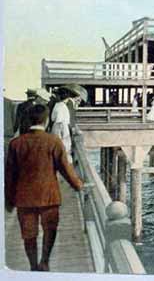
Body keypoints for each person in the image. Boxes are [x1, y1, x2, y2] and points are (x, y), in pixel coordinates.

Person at [5, 104, 84, 271]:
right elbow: (65, 168)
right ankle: (45, 261)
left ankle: (33, 266)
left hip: (24, 198)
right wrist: (78, 185)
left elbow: (9, 175)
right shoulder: (53, 141)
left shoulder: (16, 143)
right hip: (49, 196)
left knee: (29, 235)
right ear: (46, 120)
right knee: (50, 230)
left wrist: (9, 200)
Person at [50, 90, 73, 162]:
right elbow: (65, 121)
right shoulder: (63, 106)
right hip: (62, 126)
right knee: (64, 145)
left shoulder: (57, 105)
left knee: (56, 144)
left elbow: (53, 118)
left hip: (56, 126)